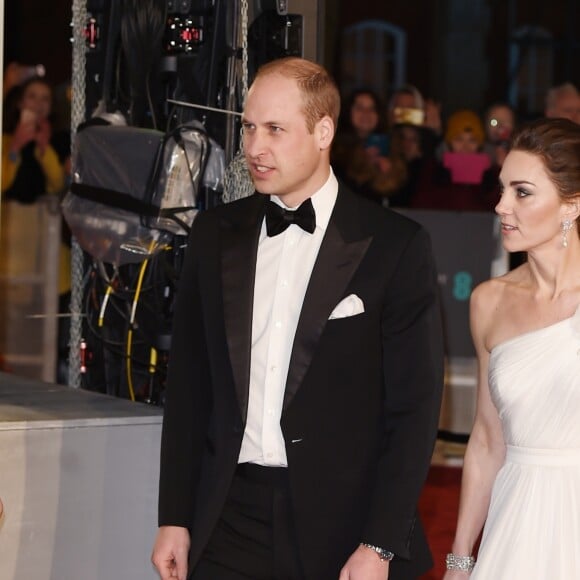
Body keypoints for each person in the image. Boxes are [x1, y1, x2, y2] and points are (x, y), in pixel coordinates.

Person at [151, 56, 444, 580]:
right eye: (249, 128)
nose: (255, 147)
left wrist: (379, 544)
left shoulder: (394, 246)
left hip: (342, 529)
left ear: (324, 130)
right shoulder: (215, 235)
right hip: (227, 517)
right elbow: (190, 388)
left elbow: (413, 414)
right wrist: (173, 517)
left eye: (276, 130)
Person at [444, 117, 580, 579]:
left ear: (571, 205)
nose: (502, 205)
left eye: (522, 192)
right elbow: (485, 440)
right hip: (515, 528)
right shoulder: (489, 301)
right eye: (502, 189)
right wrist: (461, 558)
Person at [331, 88, 405, 204]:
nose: (366, 113)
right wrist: (363, 163)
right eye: (360, 108)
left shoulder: (393, 145)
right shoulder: (335, 149)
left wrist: (387, 174)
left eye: (372, 109)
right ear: (348, 112)